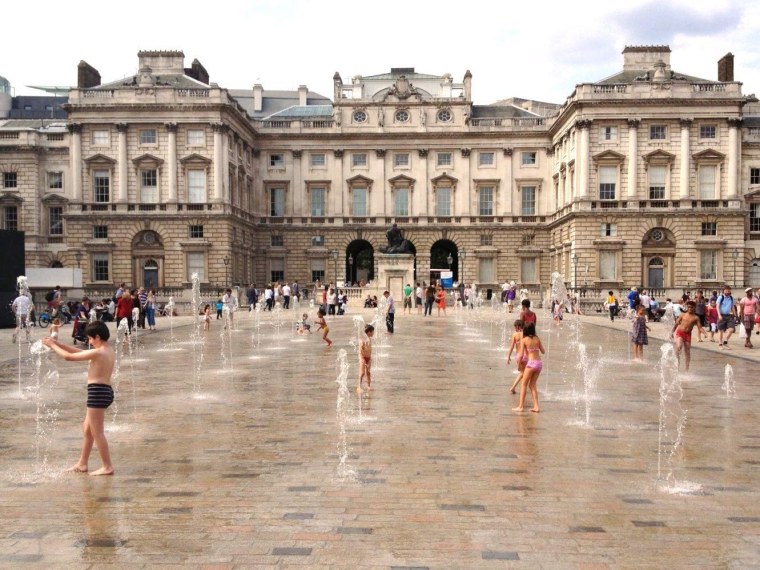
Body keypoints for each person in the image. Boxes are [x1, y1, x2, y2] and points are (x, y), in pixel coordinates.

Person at [43, 321, 115, 476]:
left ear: (97, 336)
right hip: (103, 391)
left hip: (98, 392)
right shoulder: (106, 350)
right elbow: (76, 351)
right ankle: (82, 463)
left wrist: (52, 346)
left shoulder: (99, 352)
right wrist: (57, 344)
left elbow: (69, 357)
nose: (89, 342)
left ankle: (107, 466)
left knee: (97, 432)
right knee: (87, 430)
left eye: (90, 339)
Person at [512, 323, 545, 413]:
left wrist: (519, 365)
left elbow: (521, 355)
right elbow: (543, 351)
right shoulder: (537, 339)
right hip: (539, 364)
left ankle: (521, 406)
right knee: (532, 385)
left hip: (531, 364)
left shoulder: (524, 340)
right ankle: (536, 407)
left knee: (523, 384)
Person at [672, 300, 706, 372]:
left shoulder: (696, 317)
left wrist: (704, 333)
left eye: (692, 307)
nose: (690, 309)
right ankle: (676, 364)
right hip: (680, 332)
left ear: (695, 308)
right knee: (679, 346)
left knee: (687, 352)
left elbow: (699, 327)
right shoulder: (683, 315)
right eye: (689, 307)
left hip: (688, 335)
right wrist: (672, 332)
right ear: (687, 307)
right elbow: (676, 323)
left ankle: (686, 369)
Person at [506, 320, 525, 394]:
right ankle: (513, 387)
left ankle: (522, 387)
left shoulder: (515, 335)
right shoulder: (525, 334)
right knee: (523, 373)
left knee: (523, 372)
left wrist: (508, 356)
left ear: (517, 326)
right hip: (525, 355)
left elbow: (511, 346)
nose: (514, 328)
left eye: (515, 327)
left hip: (518, 356)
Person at [357, 324, 375, 393]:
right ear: (369, 332)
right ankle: (359, 386)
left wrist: (370, 358)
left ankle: (369, 386)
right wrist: (363, 359)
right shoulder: (363, 340)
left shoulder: (369, 339)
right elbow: (361, 349)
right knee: (362, 373)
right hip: (363, 358)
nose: (373, 333)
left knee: (368, 372)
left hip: (368, 358)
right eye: (373, 332)